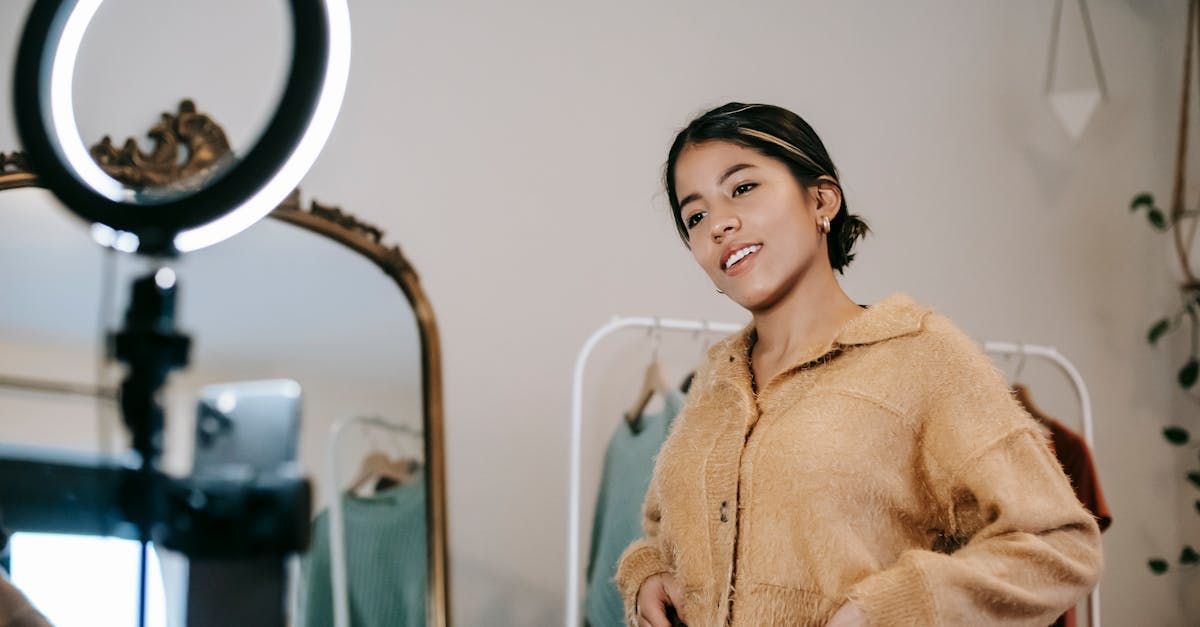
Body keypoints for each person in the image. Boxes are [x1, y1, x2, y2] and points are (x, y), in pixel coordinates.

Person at [615, 103, 1103, 627]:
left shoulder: (920, 355)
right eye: (695, 215)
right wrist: (646, 574)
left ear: (821, 199)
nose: (719, 224)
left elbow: (1060, 545)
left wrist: (890, 610)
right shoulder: (716, 381)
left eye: (742, 188)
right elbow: (663, 529)